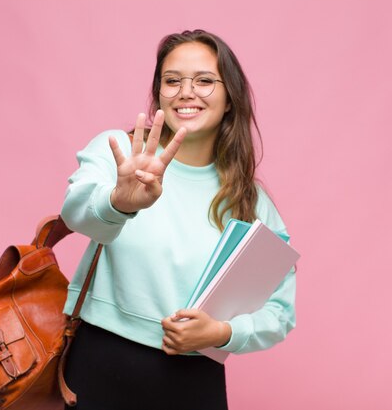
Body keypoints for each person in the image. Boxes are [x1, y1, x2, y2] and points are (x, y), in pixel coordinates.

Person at [60, 29, 296, 410]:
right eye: (172, 81)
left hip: (193, 381)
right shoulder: (121, 152)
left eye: (204, 80)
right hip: (96, 363)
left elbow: (280, 312)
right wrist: (120, 201)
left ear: (230, 99)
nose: (187, 92)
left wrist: (221, 332)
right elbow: (76, 215)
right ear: (159, 95)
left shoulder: (249, 200)